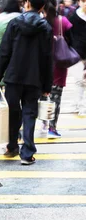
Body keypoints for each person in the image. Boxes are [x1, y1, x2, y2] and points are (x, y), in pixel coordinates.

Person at [0, 0, 53, 165]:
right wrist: (47, 85)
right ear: (42, 7)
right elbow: (48, 58)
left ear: (27, 4)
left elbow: (5, 51)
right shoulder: (46, 27)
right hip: (34, 78)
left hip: (13, 76)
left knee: (13, 112)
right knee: (29, 113)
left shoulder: (14, 23)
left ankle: (12, 146)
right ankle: (27, 153)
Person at [46, 4, 72, 137]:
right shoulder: (62, 21)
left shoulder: (39, 21)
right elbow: (71, 40)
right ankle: (52, 127)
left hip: (41, 66)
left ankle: (43, 120)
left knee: (41, 97)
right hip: (59, 65)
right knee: (56, 98)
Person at [69, 0, 86, 114]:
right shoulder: (73, 17)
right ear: (79, 2)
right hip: (77, 54)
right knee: (79, 80)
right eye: (84, 1)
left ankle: (83, 106)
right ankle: (77, 104)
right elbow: (68, 34)